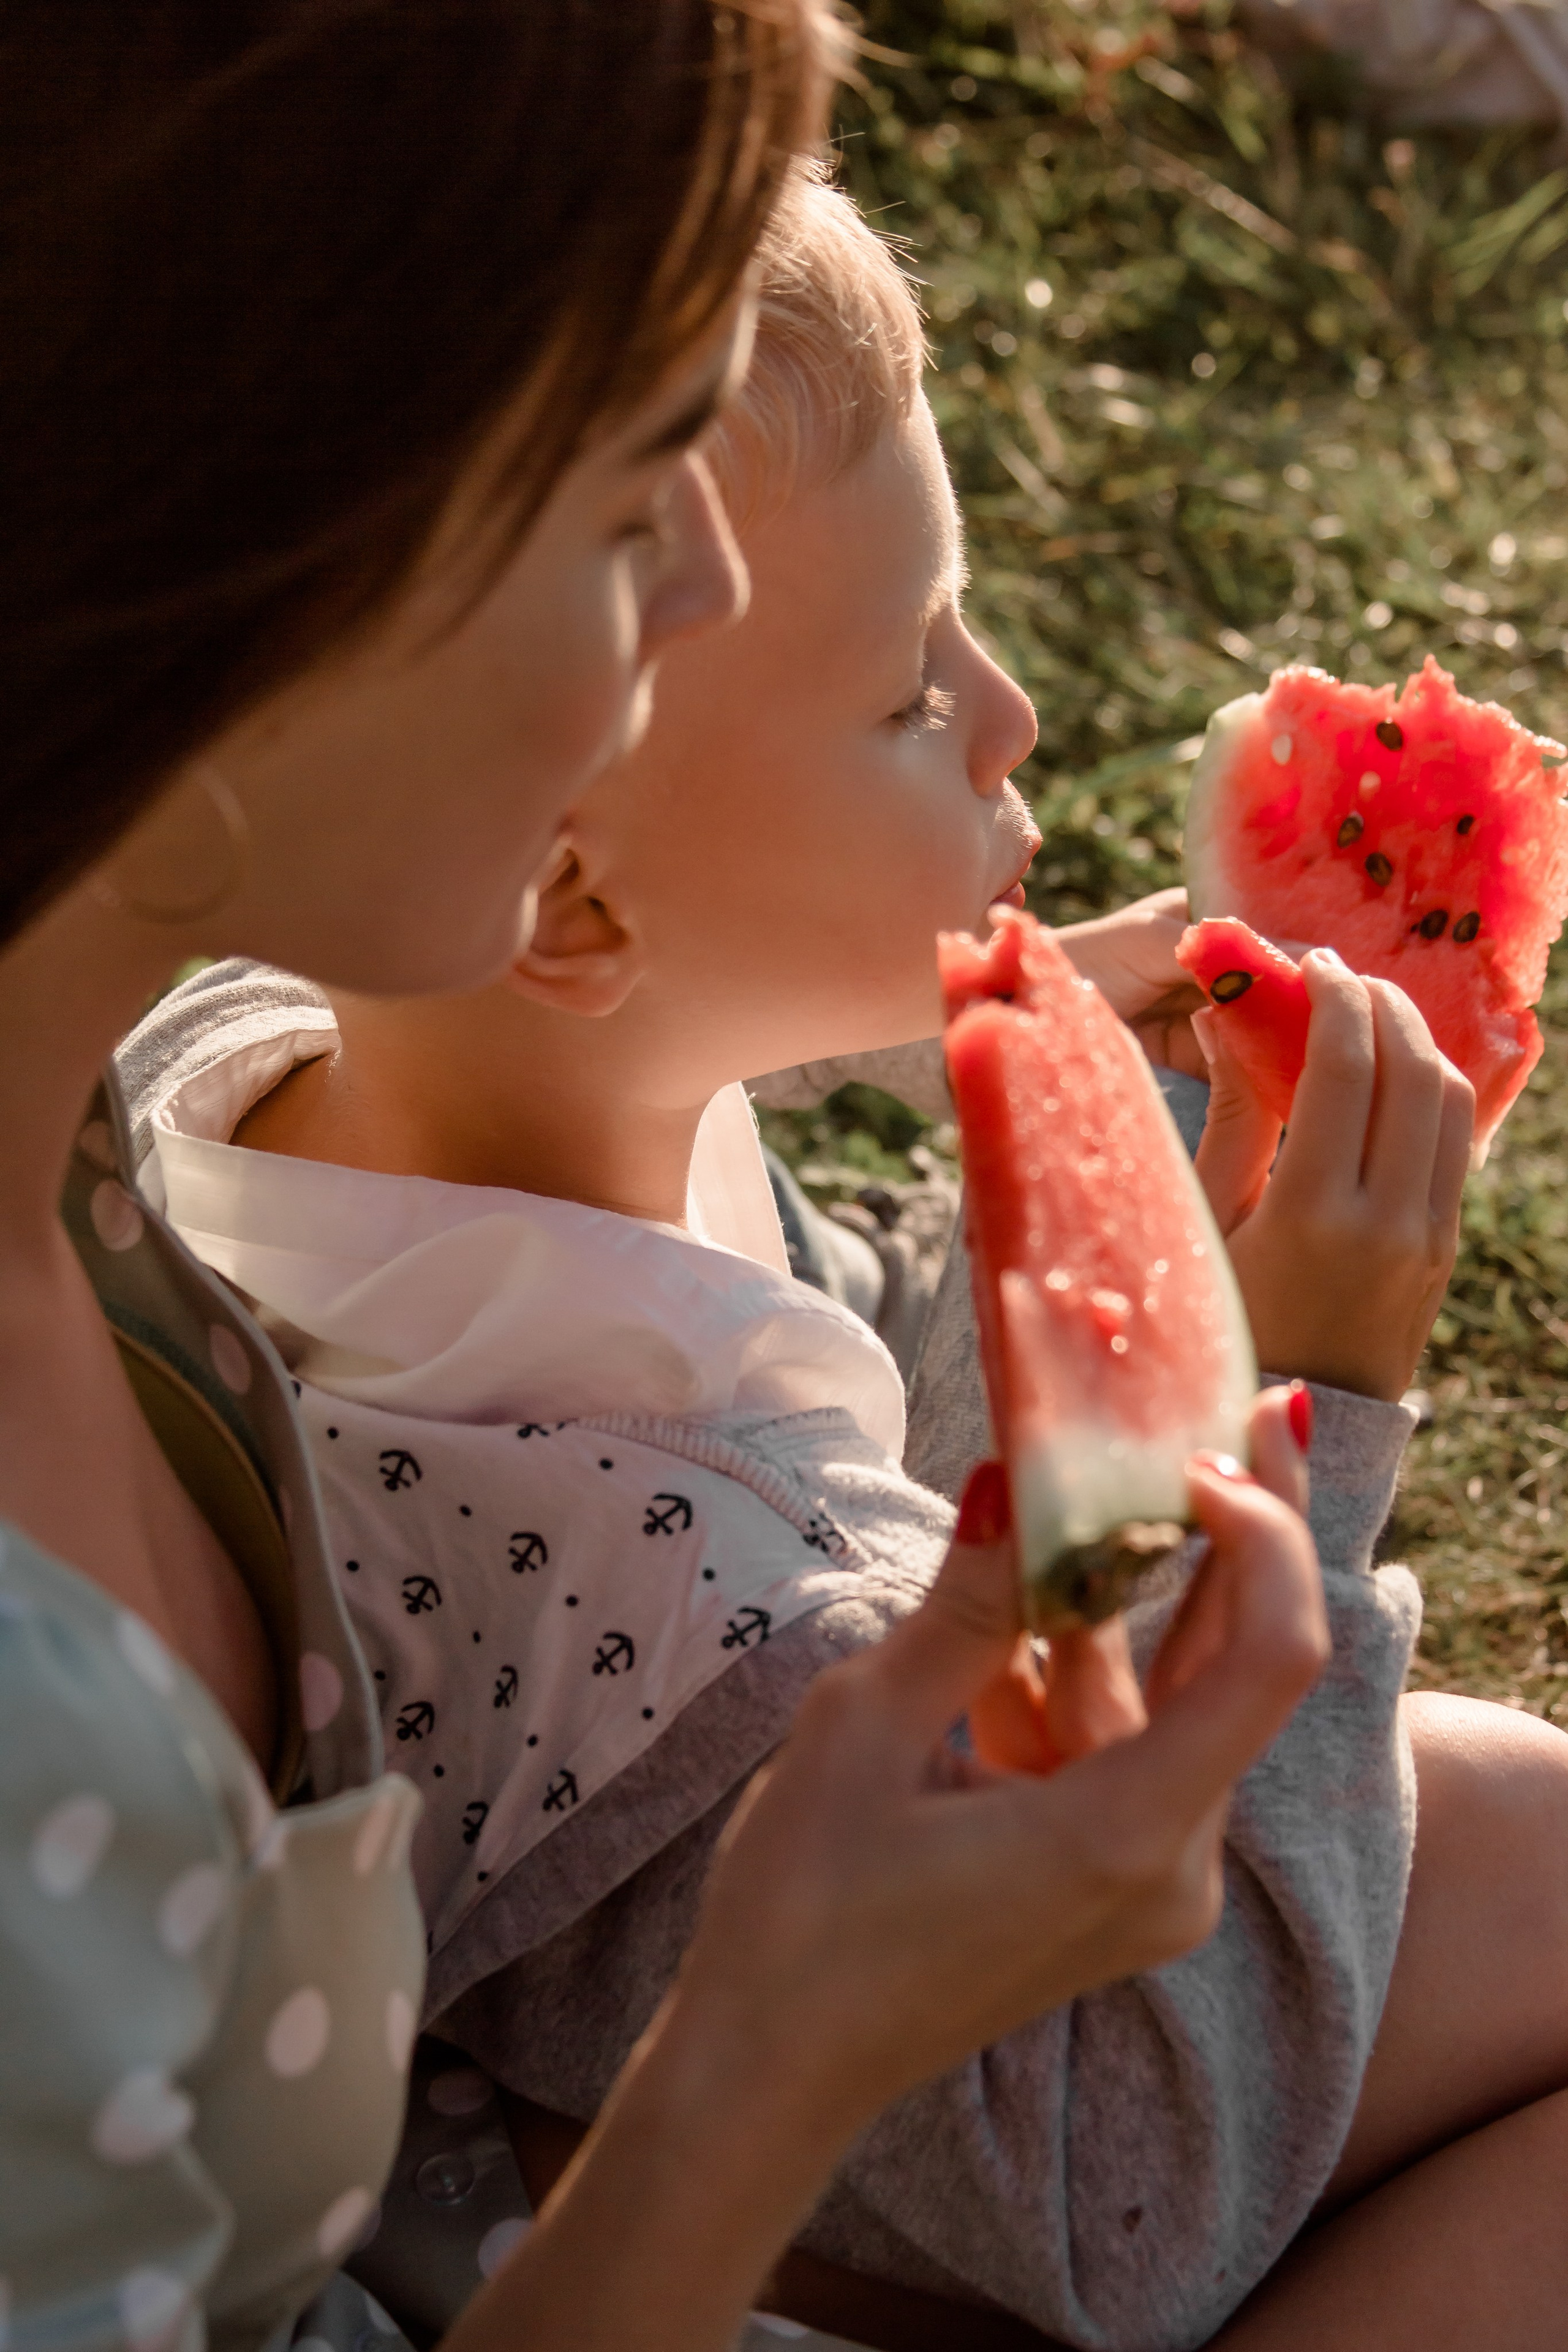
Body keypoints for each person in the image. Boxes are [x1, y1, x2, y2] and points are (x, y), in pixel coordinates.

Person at [117, 168, 1568, 2352]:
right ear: (580, 917)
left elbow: (719, 1192)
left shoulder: (225, 1068)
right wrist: (1298, 1411)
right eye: (910, 695)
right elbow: (1138, 2175)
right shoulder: (691, 1623)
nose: (1012, 718)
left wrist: (1012, 1070)